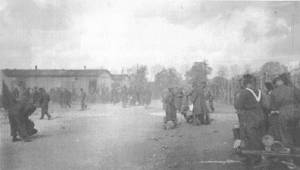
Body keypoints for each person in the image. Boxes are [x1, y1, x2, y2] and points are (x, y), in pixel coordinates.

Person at [235, 74, 266, 166]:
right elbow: (265, 104)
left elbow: (238, 106)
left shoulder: (244, 92)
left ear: (246, 83)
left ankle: (254, 159)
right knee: (259, 136)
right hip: (260, 116)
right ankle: (259, 156)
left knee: (251, 137)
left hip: (250, 117)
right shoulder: (259, 92)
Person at [269, 74, 300, 147]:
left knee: (285, 133)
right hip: (297, 112)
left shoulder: (274, 92)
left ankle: (288, 151)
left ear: (277, 82)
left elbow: (272, 107)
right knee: (297, 131)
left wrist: (275, 110)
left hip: (284, 114)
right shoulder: (293, 89)